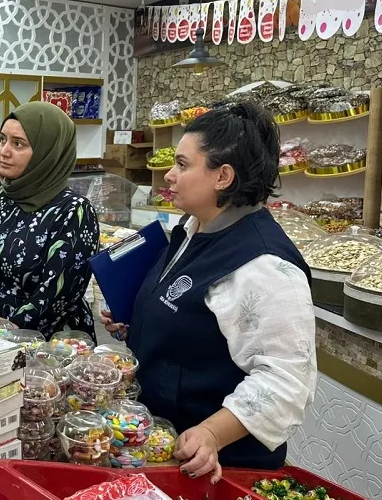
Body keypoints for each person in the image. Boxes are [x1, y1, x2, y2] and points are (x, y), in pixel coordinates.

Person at [103, 103, 316, 481]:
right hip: (162, 446)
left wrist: (212, 434)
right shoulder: (194, 228)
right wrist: (140, 324)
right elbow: (193, 318)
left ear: (223, 176)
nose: (169, 175)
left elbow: (286, 380)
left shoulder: (266, 265)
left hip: (220, 467)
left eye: (182, 165)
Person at [0, 102, 99, 338]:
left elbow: (56, 296)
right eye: (2, 140)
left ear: (48, 152)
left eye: (18, 144)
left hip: (44, 346)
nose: (3, 151)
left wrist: (3, 334)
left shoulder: (73, 212)